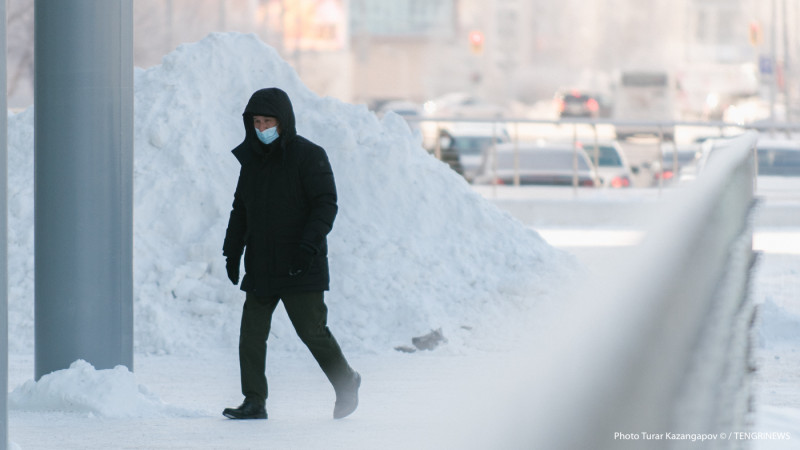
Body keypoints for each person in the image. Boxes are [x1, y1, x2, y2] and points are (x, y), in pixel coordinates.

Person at [222, 87, 360, 420]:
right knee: (251, 335)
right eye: (256, 121)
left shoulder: (309, 155)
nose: (261, 128)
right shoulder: (252, 160)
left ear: (283, 121)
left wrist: (308, 247)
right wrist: (232, 250)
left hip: (301, 264)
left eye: (268, 120)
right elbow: (241, 208)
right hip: (262, 263)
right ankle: (254, 400)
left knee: (312, 332)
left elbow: (325, 204)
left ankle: (347, 382)